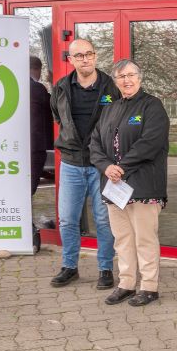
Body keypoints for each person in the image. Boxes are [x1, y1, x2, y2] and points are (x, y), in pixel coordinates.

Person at [90, 59, 169, 307]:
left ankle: (149, 287)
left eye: (131, 75)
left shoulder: (152, 106)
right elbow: (95, 144)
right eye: (121, 76)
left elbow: (150, 143)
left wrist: (122, 167)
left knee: (144, 238)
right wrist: (106, 167)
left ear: (140, 77)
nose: (127, 80)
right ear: (115, 81)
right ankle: (126, 283)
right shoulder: (109, 109)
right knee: (122, 238)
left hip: (144, 185)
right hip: (114, 187)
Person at [50, 39, 119, 289]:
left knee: (103, 219)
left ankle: (105, 268)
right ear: (71, 59)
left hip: (101, 165)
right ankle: (69, 267)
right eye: (78, 55)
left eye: (88, 54)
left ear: (96, 56)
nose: (84, 59)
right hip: (70, 163)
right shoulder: (60, 87)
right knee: (67, 219)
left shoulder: (111, 87)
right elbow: (58, 117)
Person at [29, 56, 53, 196]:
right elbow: (55, 105)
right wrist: (52, 82)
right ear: (37, 69)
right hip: (35, 146)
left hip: (20, 145)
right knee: (30, 186)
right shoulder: (36, 88)